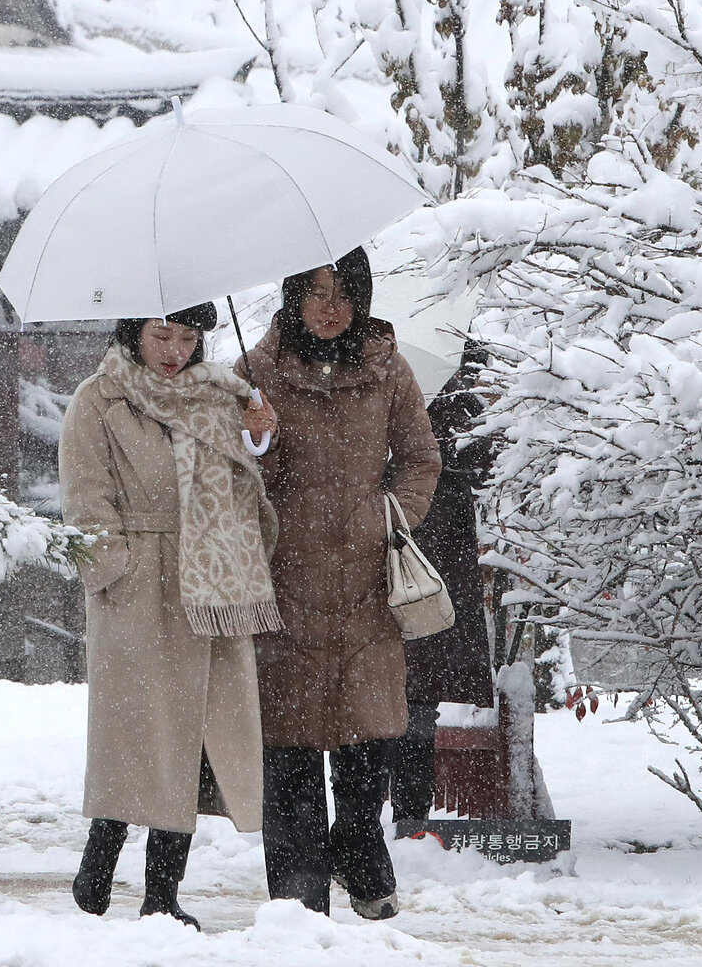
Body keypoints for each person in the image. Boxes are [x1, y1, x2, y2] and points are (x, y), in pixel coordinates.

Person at [59, 305, 282, 927]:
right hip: (139, 590)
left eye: (187, 338)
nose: (174, 351)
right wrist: (117, 569)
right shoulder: (99, 398)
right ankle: (99, 861)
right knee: (138, 734)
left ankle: (163, 895)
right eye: (161, 335)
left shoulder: (218, 396)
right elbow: (84, 497)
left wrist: (255, 436)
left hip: (212, 587)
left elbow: (243, 486)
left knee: (193, 741)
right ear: (133, 333)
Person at [249, 248, 441, 920]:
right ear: (292, 295)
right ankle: (298, 897)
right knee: (291, 751)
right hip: (285, 580)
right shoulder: (256, 371)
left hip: (366, 583)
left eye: (344, 292)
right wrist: (256, 444)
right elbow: (233, 476)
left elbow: (420, 457)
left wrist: (390, 514)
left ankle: (357, 847)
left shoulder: (387, 365)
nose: (330, 307)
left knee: (370, 743)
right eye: (316, 291)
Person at [391, 348, 498, 831]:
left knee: (412, 700)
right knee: (404, 701)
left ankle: (404, 820)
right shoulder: (385, 378)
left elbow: (482, 465)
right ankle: (401, 822)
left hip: (428, 557)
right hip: (410, 552)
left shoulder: (455, 385)